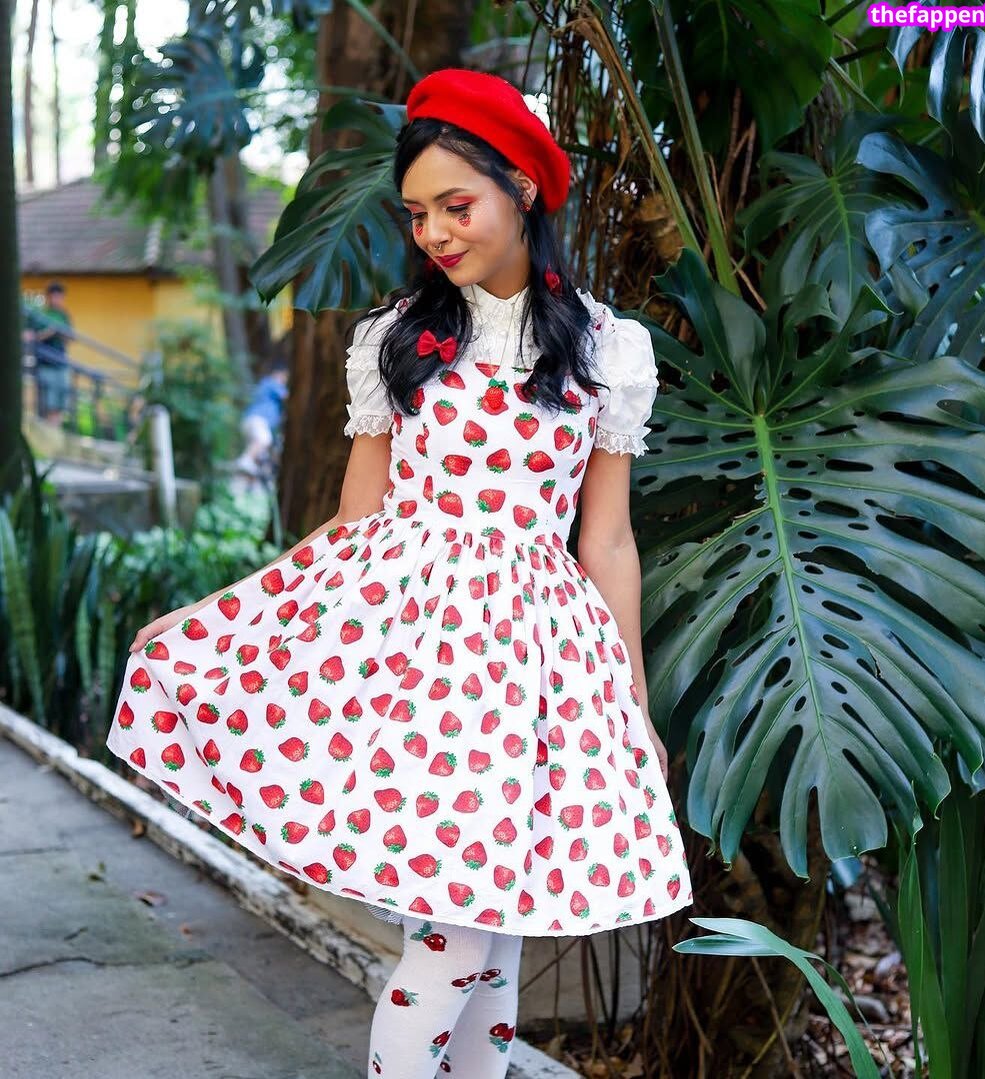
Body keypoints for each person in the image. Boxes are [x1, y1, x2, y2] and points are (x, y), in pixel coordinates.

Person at [107, 67, 694, 1079]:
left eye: (456, 205)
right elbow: (354, 524)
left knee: (493, 935)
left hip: (533, 670)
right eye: (418, 213)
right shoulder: (396, 341)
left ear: (523, 187)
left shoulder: (609, 351)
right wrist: (217, 615)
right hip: (417, 659)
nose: (435, 233)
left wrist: (631, 702)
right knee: (456, 939)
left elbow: (605, 542)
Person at [26, 281, 73, 424]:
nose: (57, 300)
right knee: (48, 404)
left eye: (60, 297)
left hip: (61, 363)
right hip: (46, 365)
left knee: (61, 404)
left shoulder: (64, 315)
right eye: (55, 296)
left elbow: (70, 338)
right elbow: (30, 337)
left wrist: (61, 333)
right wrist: (49, 332)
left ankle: (55, 429)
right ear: (49, 297)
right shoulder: (41, 315)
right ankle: (49, 430)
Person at [235, 360, 289, 483]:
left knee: (260, 458)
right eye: (285, 377)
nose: (285, 380)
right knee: (264, 439)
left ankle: (246, 483)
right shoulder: (272, 383)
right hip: (258, 420)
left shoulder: (265, 385)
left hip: (251, 422)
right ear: (279, 374)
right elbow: (287, 397)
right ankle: (244, 460)